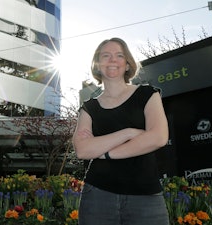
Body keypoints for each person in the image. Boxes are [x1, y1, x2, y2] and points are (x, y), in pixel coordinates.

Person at [72, 37, 169, 225]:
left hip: (146, 197)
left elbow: (158, 137)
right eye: (106, 56)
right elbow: (83, 150)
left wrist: (105, 153)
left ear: (127, 65)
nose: (112, 60)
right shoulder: (89, 107)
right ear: (98, 66)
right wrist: (129, 133)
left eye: (119, 55)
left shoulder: (148, 94)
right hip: (98, 196)